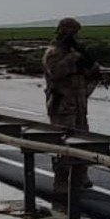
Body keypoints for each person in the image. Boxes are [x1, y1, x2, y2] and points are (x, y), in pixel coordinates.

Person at [42, 18, 101, 202]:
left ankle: (81, 176)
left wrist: (88, 84)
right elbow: (55, 73)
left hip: (79, 105)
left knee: (83, 141)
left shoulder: (80, 53)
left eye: (74, 32)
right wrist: (71, 58)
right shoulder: (53, 53)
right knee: (63, 144)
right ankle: (60, 182)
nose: (72, 35)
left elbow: (93, 76)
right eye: (69, 31)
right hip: (62, 106)